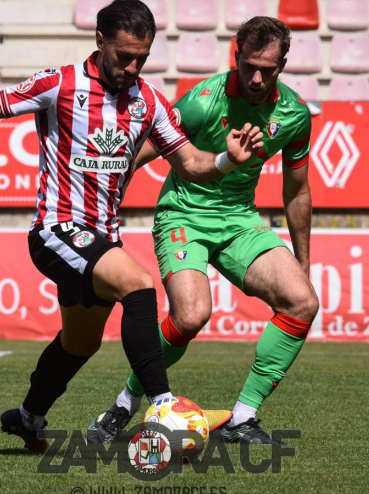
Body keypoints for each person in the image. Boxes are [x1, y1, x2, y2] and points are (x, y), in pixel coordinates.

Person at [0, 0, 264, 453]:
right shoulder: (59, 83)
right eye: (124, 55)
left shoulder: (150, 101)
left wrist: (224, 160)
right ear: (100, 42)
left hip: (100, 237)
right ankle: (161, 406)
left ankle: (27, 418)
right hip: (56, 230)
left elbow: (190, 163)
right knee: (138, 284)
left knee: (80, 344)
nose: (132, 66)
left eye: (142, 56)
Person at [87, 16, 320, 446]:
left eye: (267, 69)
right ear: (236, 57)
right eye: (248, 65)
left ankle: (242, 418)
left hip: (240, 221)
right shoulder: (203, 100)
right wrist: (103, 203)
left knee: (302, 302)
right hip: (183, 216)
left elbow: (297, 190)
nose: (256, 77)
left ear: (283, 65)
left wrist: (303, 262)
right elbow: (143, 151)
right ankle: (125, 403)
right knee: (191, 315)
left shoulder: (294, 115)